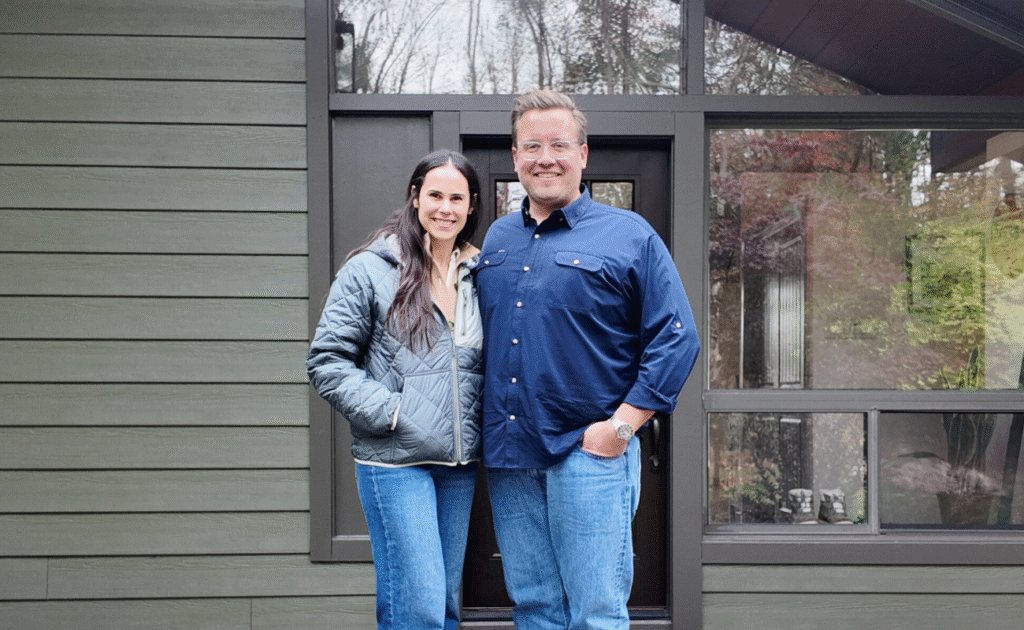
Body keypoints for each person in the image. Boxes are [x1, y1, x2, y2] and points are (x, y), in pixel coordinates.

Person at [474, 89, 700, 630]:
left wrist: (621, 428)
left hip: (587, 455)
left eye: (558, 144)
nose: (544, 157)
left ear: (583, 154)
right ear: (514, 157)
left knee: (596, 612)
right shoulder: (498, 237)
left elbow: (677, 336)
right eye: (531, 146)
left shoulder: (629, 235)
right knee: (535, 608)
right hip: (511, 456)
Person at [307, 150, 484, 630]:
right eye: (435, 195)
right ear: (415, 198)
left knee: (442, 605)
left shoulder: (479, 274)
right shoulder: (370, 269)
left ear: (471, 207)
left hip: (458, 464)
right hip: (394, 459)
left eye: (457, 198)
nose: (445, 208)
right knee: (419, 605)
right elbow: (327, 361)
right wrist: (393, 412)